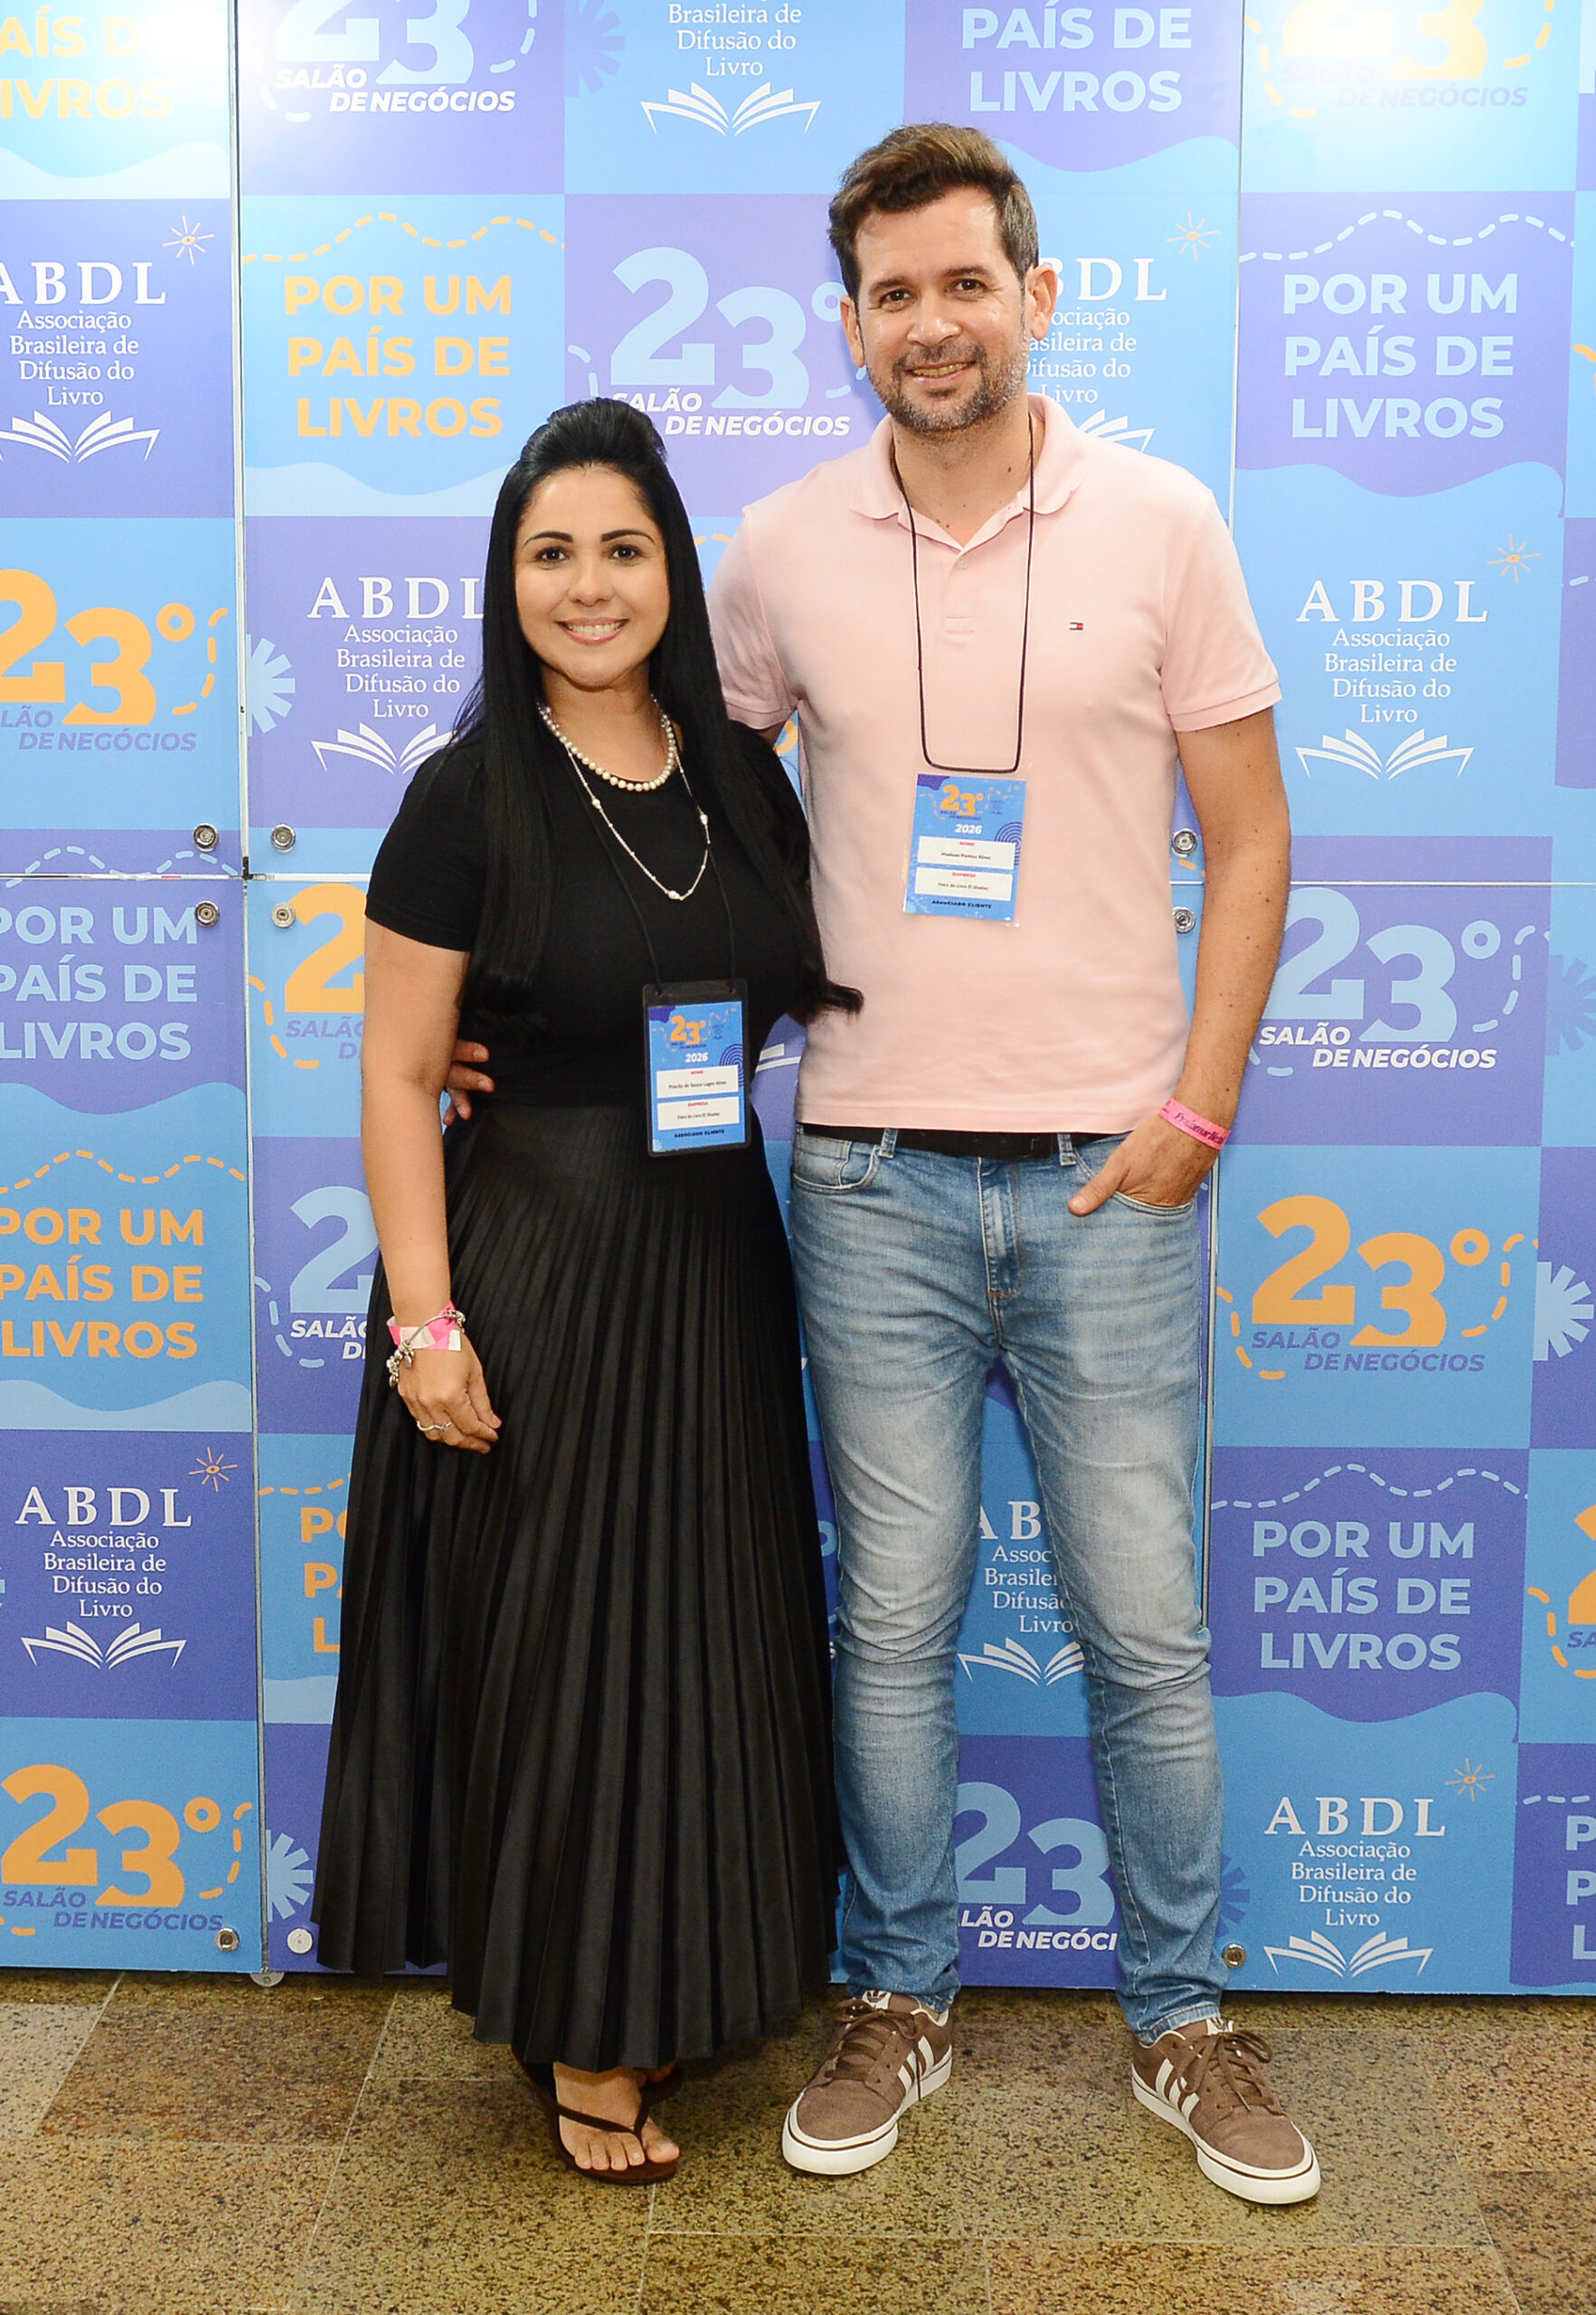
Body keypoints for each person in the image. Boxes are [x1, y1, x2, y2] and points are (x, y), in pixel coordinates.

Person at [447, 128, 1315, 2205]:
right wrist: (515, 1014)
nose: (931, 323)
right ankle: (898, 1993)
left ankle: (1182, 2017)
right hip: (863, 1180)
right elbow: (652, 788)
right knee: (894, 1624)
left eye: (962, 283)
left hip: (1113, 1178)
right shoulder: (773, 551)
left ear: (1036, 296)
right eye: (892, 293)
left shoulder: (1168, 523)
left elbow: (1253, 833)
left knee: (1145, 1629)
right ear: (849, 326)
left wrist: (1196, 1109)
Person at [312, 398, 846, 2185]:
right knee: (560, 1659)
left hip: (713, 1263)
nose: (589, 584)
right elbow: (400, 1072)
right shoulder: (465, 795)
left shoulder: (736, 773)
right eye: (551, 553)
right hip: (536, 1266)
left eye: (623, 548)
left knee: (702, 1646)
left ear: (672, 569)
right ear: (507, 577)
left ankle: (672, 1973)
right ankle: (579, 2027)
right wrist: (426, 1323)